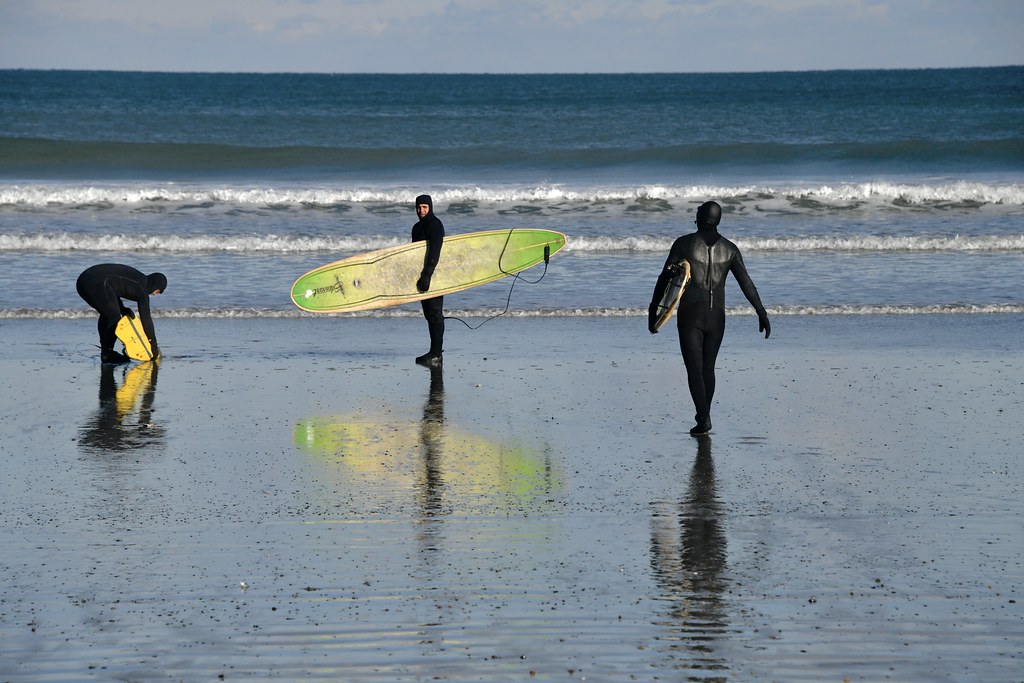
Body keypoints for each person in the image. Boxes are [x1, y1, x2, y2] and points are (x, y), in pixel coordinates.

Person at [648, 201, 770, 436]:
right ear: (718, 220)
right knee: (708, 368)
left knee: (694, 369)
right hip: (717, 316)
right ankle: (704, 415)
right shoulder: (730, 249)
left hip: (691, 314)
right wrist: (761, 312)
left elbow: (664, 278)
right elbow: (747, 284)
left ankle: (703, 418)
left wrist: (655, 309)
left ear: (700, 216)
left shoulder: (684, 243)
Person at [76, 264, 166, 363]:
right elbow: (146, 319)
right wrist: (153, 345)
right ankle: (107, 353)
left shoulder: (138, 278)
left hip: (83, 281)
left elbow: (113, 285)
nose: (154, 294)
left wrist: (122, 309)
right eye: (158, 291)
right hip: (95, 283)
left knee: (107, 313)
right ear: (156, 285)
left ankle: (106, 351)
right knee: (113, 317)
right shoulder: (141, 290)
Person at [411, 194, 445, 366]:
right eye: (418, 207)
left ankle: (437, 354)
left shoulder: (435, 225)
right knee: (428, 314)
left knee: (435, 313)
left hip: (435, 275)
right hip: (422, 276)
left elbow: (436, 251)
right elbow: (414, 254)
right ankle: (434, 352)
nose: (421, 210)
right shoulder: (416, 228)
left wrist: (428, 274)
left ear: (430, 207)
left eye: (424, 207)